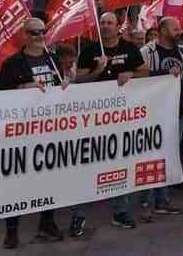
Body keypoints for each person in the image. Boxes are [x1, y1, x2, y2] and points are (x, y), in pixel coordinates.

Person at [71, 12, 147, 235]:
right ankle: (79, 215)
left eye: (109, 23)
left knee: (119, 162)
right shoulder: (89, 51)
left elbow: (146, 72)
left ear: (117, 27)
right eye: (102, 23)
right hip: (94, 119)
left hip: (122, 118)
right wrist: (98, 70)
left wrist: (131, 73)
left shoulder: (130, 49)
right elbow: (79, 80)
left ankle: (120, 211)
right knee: (88, 164)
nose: (105, 26)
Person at [0, 18, 65, 248]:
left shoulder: (53, 59)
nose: (39, 36)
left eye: (42, 31)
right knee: (16, 182)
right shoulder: (13, 63)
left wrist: (65, 87)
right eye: (33, 32)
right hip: (20, 133)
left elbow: (58, 87)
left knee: (49, 178)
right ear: (24, 35)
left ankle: (47, 223)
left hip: (48, 130)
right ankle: (12, 230)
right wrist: (21, 88)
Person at [138, 17, 183, 220]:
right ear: (162, 30)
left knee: (168, 158)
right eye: (175, 28)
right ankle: (146, 202)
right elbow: (138, 77)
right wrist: (164, 73)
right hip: (152, 115)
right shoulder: (146, 52)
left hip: (177, 114)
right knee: (150, 158)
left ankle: (162, 200)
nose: (179, 31)